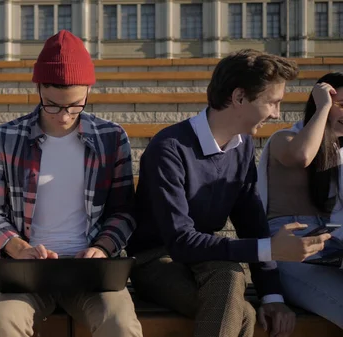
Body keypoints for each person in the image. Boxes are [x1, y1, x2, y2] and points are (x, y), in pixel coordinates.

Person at [127, 49, 331, 337]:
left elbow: (252, 223)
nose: (277, 114)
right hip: (156, 261)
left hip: (208, 260)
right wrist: (269, 248)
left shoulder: (243, 146)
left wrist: (272, 297)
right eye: (272, 102)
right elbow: (180, 242)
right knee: (239, 301)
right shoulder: (168, 149)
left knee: (234, 290)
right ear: (238, 98)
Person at [0, 30, 142, 337]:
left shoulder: (111, 138)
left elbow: (124, 211)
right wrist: (19, 247)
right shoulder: (4, 138)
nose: (64, 116)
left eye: (75, 105)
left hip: (91, 271)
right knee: (2, 322)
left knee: (120, 324)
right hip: (27, 271)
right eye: (53, 105)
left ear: (89, 92)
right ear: (39, 88)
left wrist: (102, 249)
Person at [257, 72, 343, 329]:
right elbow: (304, 155)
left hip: (331, 247)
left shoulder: (340, 153)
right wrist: (324, 108)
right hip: (289, 250)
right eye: (341, 105)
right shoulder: (284, 139)